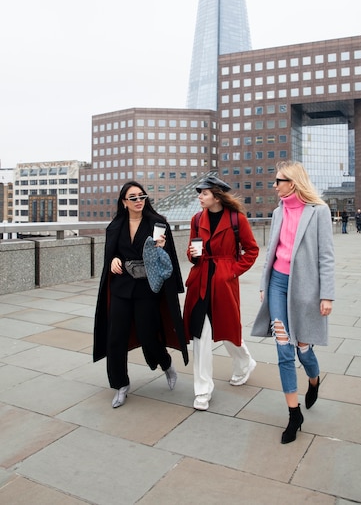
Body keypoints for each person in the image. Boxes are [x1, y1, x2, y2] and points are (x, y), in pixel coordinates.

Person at [251, 161, 334, 444]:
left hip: (305, 288)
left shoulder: (319, 212)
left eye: (279, 180)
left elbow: (326, 256)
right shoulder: (278, 212)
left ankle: (313, 379)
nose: (274, 185)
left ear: (293, 182)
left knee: (302, 349)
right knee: (284, 348)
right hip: (277, 284)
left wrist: (327, 295)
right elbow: (272, 252)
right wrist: (264, 285)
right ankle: (293, 413)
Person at [93, 181, 188, 408]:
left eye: (141, 196)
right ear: (124, 202)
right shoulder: (115, 226)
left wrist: (160, 247)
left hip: (147, 288)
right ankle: (120, 385)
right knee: (116, 337)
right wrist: (114, 260)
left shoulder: (158, 223)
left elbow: (168, 260)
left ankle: (166, 364)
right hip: (121, 287)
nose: (138, 201)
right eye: (133, 197)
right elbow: (111, 254)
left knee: (148, 335)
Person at [184, 175, 259, 411]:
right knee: (201, 335)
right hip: (200, 282)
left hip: (223, 282)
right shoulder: (197, 219)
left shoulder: (237, 219)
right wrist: (193, 254)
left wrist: (231, 271)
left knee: (227, 329)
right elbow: (191, 252)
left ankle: (245, 362)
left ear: (216, 196)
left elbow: (251, 250)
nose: (200, 197)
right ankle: (203, 390)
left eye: (204, 193)